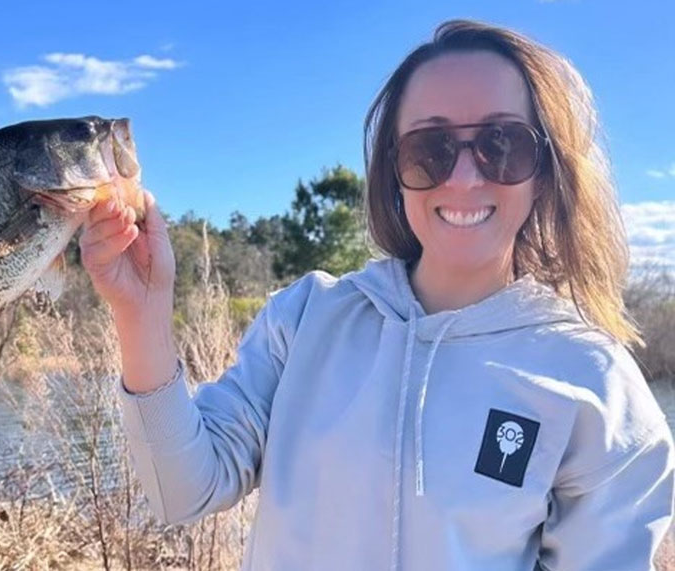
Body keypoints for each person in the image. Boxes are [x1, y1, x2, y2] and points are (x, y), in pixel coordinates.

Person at [79, 19, 675, 571]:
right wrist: (143, 313)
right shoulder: (305, 320)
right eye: (430, 149)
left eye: (501, 144)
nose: (464, 178)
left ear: (542, 169)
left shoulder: (596, 387)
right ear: (393, 170)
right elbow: (180, 490)